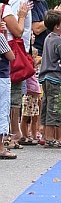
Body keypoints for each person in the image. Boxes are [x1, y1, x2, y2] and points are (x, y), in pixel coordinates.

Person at [1, 0, 39, 146]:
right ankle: (11, 134)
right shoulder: (8, 6)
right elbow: (16, 31)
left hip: (11, 50)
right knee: (12, 93)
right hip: (10, 52)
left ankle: (10, 133)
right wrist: (22, 17)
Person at [39, 10, 61, 148]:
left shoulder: (49, 37)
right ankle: (51, 138)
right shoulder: (59, 40)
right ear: (57, 26)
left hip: (46, 77)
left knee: (47, 105)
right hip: (55, 78)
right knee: (55, 107)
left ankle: (46, 135)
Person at [0, 31, 16, 159]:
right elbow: (11, 56)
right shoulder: (0, 37)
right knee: (2, 110)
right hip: (1, 78)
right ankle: (1, 148)